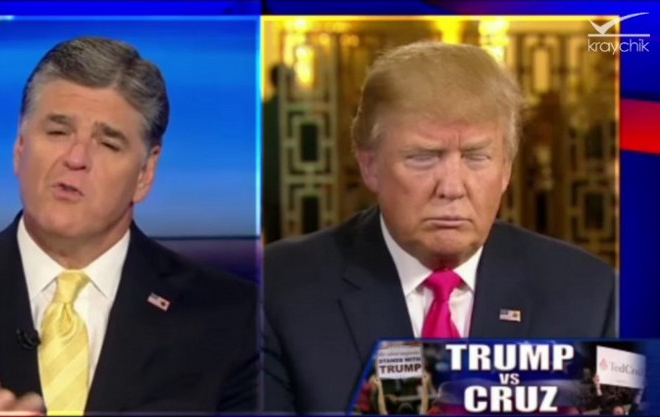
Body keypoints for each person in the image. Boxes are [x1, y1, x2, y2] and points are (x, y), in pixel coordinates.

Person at [0, 36, 258, 414]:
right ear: (20, 146)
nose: (76, 158)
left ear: (145, 172)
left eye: (108, 143)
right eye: (58, 132)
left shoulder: (233, 319)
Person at [263, 41, 615, 413]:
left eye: (476, 157)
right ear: (369, 164)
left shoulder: (589, 293)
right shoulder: (279, 287)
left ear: (507, 168)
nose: (451, 188)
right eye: (423, 157)